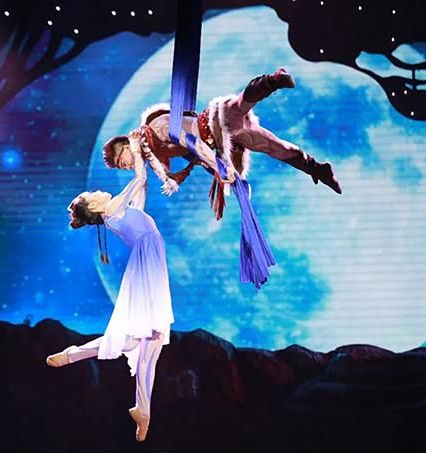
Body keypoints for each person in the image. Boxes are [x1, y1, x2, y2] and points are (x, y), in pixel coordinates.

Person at [46, 130, 174, 442]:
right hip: (148, 266)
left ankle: (142, 410)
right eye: (92, 192)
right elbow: (139, 179)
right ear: (94, 204)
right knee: (147, 338)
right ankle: (77, 356)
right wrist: (135, 147)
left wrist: (140, 156)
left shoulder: (121, 211)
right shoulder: (114, 209)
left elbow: (142, 187)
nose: (98, 190)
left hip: (150, 263)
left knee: (145, 342)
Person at [103, 67, 342, 219]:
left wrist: (221, 167)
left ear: (126, 145)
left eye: (123, 161)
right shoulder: (152, 154)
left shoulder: (156, 128)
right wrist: (131, 215)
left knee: (239, 106)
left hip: (214, 124)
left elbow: (193, 143)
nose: (127, 166)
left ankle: (273, 79)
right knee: (277, 149)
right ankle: (319, 169)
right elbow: (141, 183)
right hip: (224, 142)